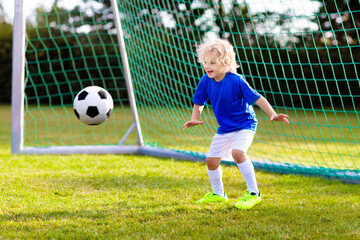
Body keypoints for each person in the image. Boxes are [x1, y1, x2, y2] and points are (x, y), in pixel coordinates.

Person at [182, 38, 289, 209]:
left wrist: (273, 114)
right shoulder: (205, 80)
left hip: (245, 125)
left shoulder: (237, 80)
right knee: (211, 160)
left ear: (225, 63)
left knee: (237, 153)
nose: (207, 66)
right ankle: (218, 194)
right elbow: (199, 101)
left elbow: (258, 98)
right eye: (205, 62)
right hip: (225, 128)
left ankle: (254, 193)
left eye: (212, 62)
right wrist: (195, 117)